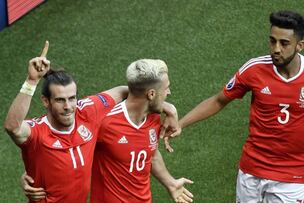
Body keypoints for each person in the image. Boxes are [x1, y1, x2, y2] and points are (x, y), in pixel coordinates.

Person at [176, 10, 304, 202]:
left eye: (284, 43)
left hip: (292, 177)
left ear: (299, 45)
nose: (276, 49)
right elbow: (219, 100)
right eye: (272, 41)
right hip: (251, 171)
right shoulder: (254, 69)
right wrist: (181, 123)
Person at [5, 42, 182, 202]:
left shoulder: (88, 112)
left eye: (72, 98)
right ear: (46, 101)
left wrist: (167, 107)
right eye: (60, 100)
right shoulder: (38, 132)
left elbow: (124, 90)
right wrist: (31, 81)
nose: (68, 106)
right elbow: (13, 127)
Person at [90, 59, 193, 203]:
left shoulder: (153, 118)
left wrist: (171, 183)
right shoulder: (106, 123)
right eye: (166, 88)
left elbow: (151, 154)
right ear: (151, 94)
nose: (168, 93)